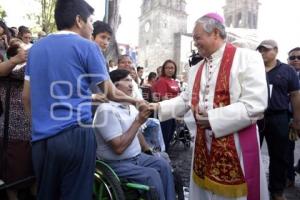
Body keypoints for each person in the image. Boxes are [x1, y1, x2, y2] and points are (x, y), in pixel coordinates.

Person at [22, 0, 145, 199]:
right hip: (75, 135)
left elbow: (26, 97)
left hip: (40, 141)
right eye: (90, 22)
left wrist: (37, 126)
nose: (91, 28)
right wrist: (137, 102)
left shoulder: (35, 49)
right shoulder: (87, 47)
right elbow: (110, 92)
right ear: (79, 20)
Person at [150, 13, 269, 200]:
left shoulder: (248, 58)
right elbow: (185, 99)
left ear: (215, 33)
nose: (195, 43)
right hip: (203, 146)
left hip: (236, 144)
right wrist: (155, 107)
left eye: (197, 38)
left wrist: (213, 119)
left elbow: (255, 104)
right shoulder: (196, 68)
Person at [93, 69, 175, 200]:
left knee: (163, 165)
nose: (131, 84)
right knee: (152, 175)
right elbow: (118, 148)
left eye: (131, 80)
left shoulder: (130, 107)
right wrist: (138, 121)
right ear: (114, 86)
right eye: (126, 81)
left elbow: (136, 133)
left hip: (137, 158)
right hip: (116, 163)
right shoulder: (106, 110)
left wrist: (147, 150)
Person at [257, 40, 300, 200]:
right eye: (260, 50)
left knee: (279, 156)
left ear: (275, 50)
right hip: (257, 117)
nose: (262, 53)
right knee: (252, 153)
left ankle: (277, 192)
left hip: (279, 116)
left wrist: (297, 120)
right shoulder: (254, 69)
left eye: (266, 50)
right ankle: (252, 188)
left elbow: (295, 95)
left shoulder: (287, 70)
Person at [152, 59, 180, 152]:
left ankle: (165, 154)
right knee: (164, 136)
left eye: (172, 68)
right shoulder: (162, 81)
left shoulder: (174, 81)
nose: (170, 70)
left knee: (170, 134)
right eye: (167, 68)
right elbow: (164, 99)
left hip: (173, 111)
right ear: (164, 69)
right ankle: (163, 155)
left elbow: (179, 96)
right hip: (164, 112)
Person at [285, 47, 300, 187]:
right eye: (292, 57)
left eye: (299, 58)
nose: (296, 60)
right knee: (287, 149)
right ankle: (289, 176)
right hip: (287, 117)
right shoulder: (283, 75)